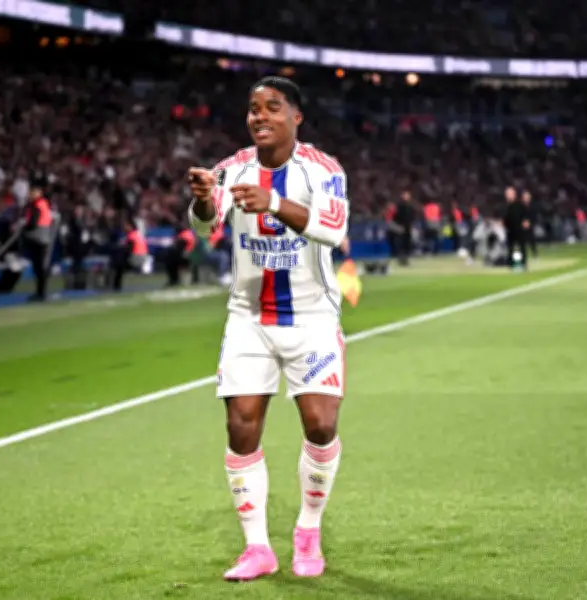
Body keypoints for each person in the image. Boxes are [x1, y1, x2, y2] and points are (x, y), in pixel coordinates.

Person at [187, 76, 349, 581]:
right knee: (241, 427)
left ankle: (308, 531)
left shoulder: (322, 168)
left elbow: (334, 229)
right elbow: (204, 226)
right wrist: (203, 200)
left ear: (296, 117)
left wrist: (273, 202)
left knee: (320, 424)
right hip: (249, 317)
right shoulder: (231, 167)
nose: (259, 116)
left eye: (272, 107)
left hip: (312, 317)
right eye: (253, 108)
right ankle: (257, 548)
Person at [22, 176, 53, 301]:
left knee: (39, 267)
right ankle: (41, 292)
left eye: (32, 192)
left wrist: (23, 228)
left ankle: (40, 293)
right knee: (40, 267)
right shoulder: (43, 203)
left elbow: (33, 223)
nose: (30, 194)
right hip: (43, 238)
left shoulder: (37, 205)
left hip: (37, 238)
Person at [503, 186, 529, 271]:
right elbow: (504, 217)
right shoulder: (505, 205)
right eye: (507, 194)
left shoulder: (519, 204)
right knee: (510, 247)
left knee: (522, 247)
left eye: (510, 193)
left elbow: (525, 214)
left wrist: (525, 221)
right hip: (509, 229)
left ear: (514, 194)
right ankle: (510, 263)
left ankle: (524, 263)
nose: (509, 195)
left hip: (519, 229)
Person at [521, 190, 538, 257]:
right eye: (525, 197)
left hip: (530, 225)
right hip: (521, 225)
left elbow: (534, 216)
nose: (526, 198)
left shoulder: (533, 206)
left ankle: (534, 253)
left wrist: (529, 223)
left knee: (532, 239)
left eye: (527, 197)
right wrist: (523, 222)